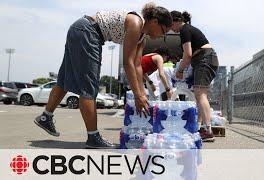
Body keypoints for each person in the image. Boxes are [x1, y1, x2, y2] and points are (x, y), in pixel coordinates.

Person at [34, 2, 173, 149]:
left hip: (80, 29)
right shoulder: (136, 23)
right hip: (88, 32)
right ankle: (93, 137)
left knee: (65, 80)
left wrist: (142, 92)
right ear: (155, 21)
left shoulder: (142, 38)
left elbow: (137, 65)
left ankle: (45, 117)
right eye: (163, 31)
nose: (162, 36)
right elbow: (127, 63)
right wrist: (137, 95)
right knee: (89, 88)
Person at [170, 11, 219, 142]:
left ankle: (208, 131)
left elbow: (188, 54)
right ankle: (203, 128)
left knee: (200, 94)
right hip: (205, 59)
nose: (170, 28)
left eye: (170, 24)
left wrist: (180, 70)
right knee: (199, 94)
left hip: (204, 58)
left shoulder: (184, 30)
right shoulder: (187, 29)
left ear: (176, 21)